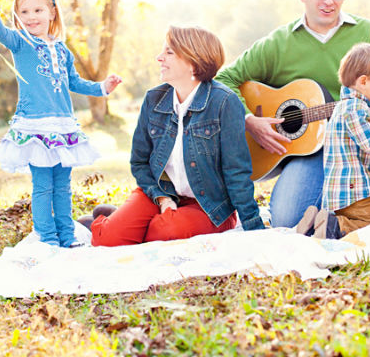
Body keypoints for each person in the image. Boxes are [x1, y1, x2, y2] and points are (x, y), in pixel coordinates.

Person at [215, 0, 370, 228]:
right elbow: (224, 79)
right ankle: (345, 208)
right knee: (287, 219)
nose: (329, 1)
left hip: (362, 138)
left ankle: (358, 205)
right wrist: (249, 120)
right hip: (308, 150)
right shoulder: (277, 43)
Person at [0, 0, 122, 248]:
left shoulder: (62, 50)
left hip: (63, 127)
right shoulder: (21, 42)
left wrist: (102, 87)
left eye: (38, 11)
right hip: (35, 127)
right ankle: (47, 239)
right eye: (24, 12)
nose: (31, 17)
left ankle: (66, 234)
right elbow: (0, 33)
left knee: (62, 185)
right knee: (43, 185)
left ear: (52, 12)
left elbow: (74, 82)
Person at [91, 26, 264, 246]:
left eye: (169, 52)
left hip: (208, 205)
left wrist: (254, 227)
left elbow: (236, 171)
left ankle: (121, 223)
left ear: (193, 62)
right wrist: (163, 199)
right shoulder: (154, 99)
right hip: (160, 193)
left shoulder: (224, 102)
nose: (159, 58)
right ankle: (109, 226)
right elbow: (139, 161)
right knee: (108, 240)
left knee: (166, 231)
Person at [296, 43, 370, 239]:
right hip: (356, 194)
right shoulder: (357, 108)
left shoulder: (345, 106)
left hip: (341, 194)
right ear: (363, 82)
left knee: (369, 219)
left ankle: (315, 224)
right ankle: (337, 226)